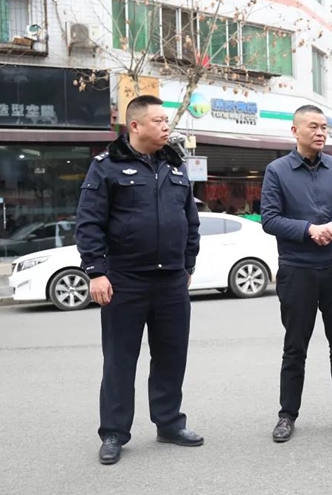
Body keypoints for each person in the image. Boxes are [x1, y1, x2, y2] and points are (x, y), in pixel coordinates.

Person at [75, 95, 202, 465]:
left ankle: (169, 424)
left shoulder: (176, 166)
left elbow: (190, 221)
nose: (166, 126)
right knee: (119, 360)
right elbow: (89, 222)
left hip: (171, 283)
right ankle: (114, 432)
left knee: (171, 356)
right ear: (135, 125)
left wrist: (188, 264)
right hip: (124, 281)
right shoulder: (105, 166)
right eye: (159, 121)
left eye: (167, 121)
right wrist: (96, 272)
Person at [261, 104, 332, 443]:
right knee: (295, 347)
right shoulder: (277, 171)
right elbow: (270, 219)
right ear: (295, 131)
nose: (320, 132)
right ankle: (287, 414)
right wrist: (309, 229)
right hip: (297, 270)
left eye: (324, 126)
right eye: (313, 126)